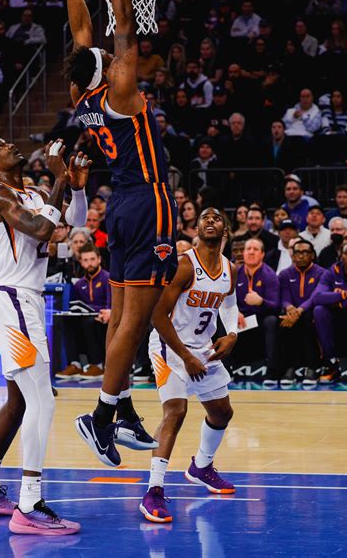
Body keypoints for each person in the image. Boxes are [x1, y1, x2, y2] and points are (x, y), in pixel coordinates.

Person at [60, 0, 177, 466]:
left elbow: (81, 23)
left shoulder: (84, 95)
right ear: (109, 64)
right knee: (136, 317)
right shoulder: (121, 87)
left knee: (125, 313)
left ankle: (122, 408)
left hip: (122, 203)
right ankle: (103, 415)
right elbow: (123, 21)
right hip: (148, 199)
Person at [0, 135, 89, 535]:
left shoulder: (31, 193)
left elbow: (72, 224)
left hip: (28, 299)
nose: (9, 145)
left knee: (19, 402)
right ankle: (30, 503)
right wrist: (57, 179)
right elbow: (37, 229)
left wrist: (75, 184)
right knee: (43, 401)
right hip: (14, 299)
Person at [139, 208, 238, 522]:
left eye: (217, 217)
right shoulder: (185, 265)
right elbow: (157, 316)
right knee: (176, 411)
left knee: (222, 412)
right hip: (170, 346)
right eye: (205, 217)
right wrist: (185, 357)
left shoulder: (229, 269)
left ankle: (202, 467)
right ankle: (153, 490)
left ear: (226, 229)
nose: (211, 220)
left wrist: (232, 333)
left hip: (202, 349)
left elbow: (231, 303)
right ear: (196, 228)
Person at [313, 242, 347, 385]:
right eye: (346, 253)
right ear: (340, 256)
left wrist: (337, 301)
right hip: (337, 318)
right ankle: (331, 366)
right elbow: (317, 298)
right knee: (319, 311)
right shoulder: (332, 271)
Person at [57, 243, 111, 382]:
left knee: (89, 322)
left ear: (99, 259)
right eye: (85, 260)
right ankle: (75, 364)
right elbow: (76, 306)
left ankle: (98, 365)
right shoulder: (79, 283)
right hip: (85, 319)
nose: (90, 263)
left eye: (92, 259)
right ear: (80, 262)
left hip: (104, 320)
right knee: (67, 320)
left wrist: (95, 310)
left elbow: (111, 305)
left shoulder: (108, 278)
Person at [277, 239, 324, 387]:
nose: (301, 256)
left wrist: (299, 310)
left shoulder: (322, 273)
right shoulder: (285, 274)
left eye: (305, 252)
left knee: (307, 319)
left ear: (312, 255)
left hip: (310, 312)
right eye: (298, 252)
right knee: (283, 322)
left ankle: (312, 367)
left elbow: (316, 296)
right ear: (292, 255)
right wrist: (289, 307)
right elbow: (283, 296)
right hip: (292, 313)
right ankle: (289, 368)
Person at [235, 238, 280, 386]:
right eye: (248, 249)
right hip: (241, 319)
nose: (251, 252)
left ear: (262, 254)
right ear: (243, 253)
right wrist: (234, 312)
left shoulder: (269, 274)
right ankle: (224, 371)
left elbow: (276, 306)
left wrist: (261, 301)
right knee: (222, 319)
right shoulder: (235, 273)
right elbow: (225, 299)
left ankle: (272, 373)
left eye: (255, 249)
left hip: (261, 318)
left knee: (271, 321)